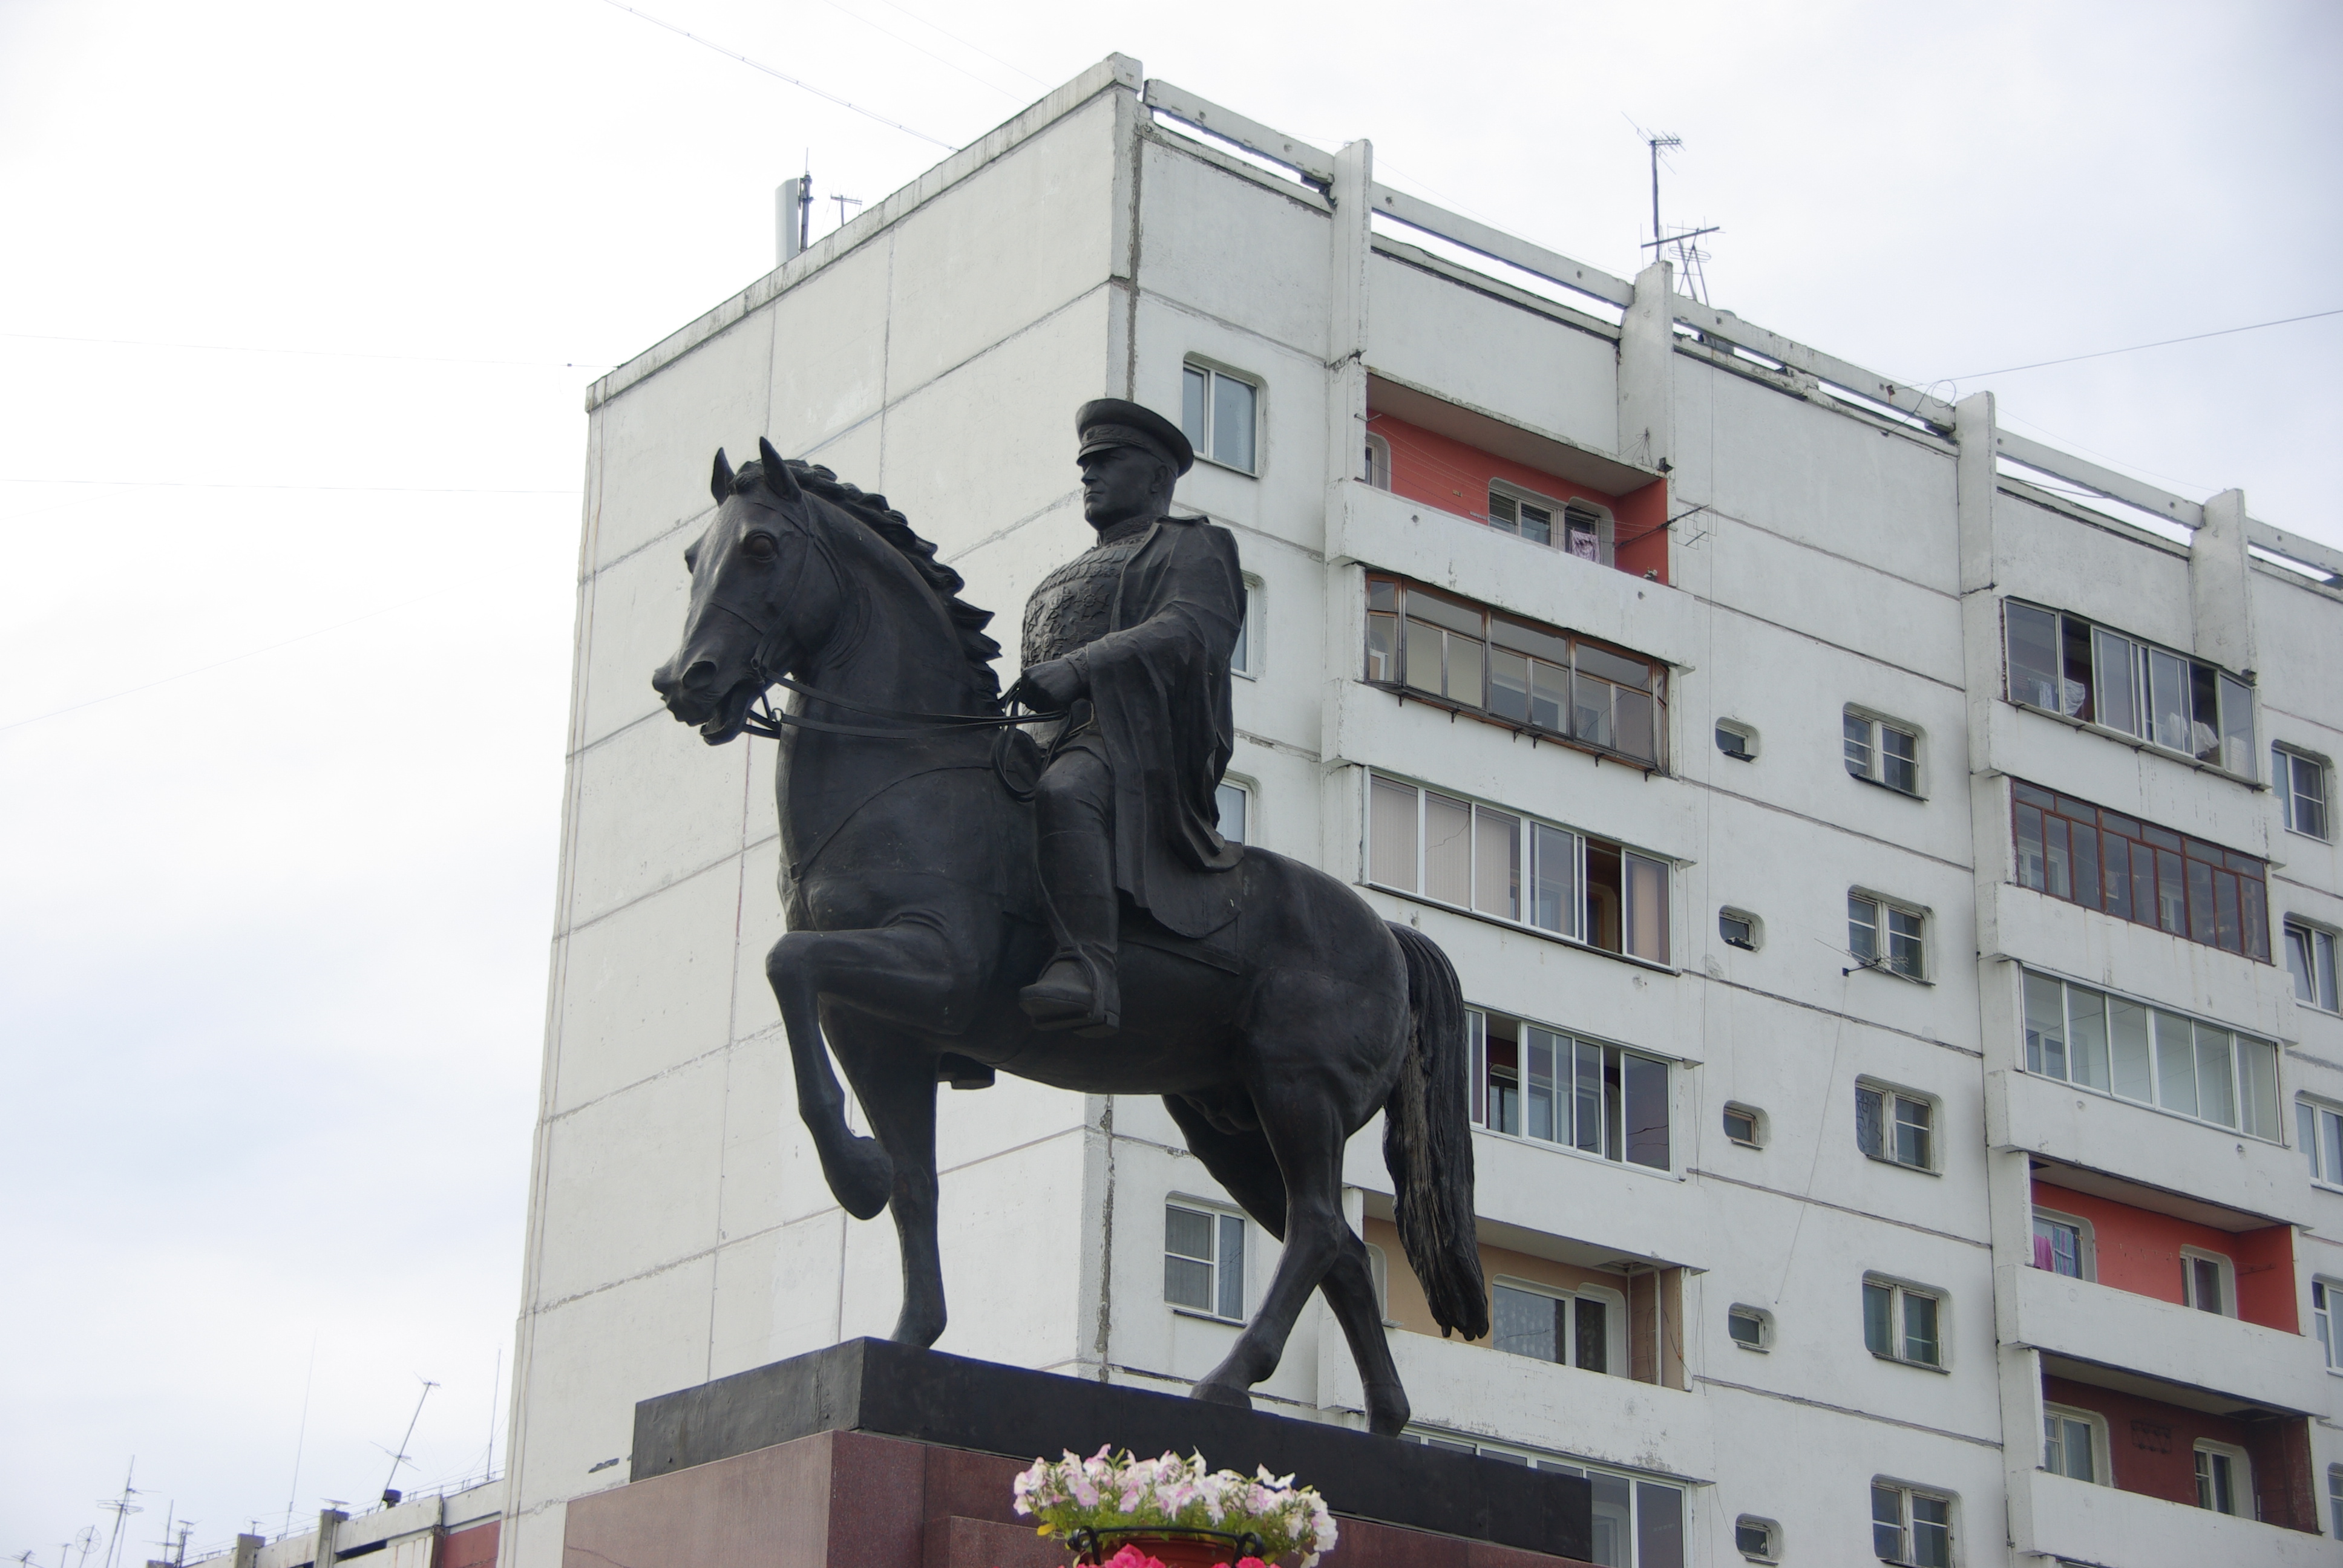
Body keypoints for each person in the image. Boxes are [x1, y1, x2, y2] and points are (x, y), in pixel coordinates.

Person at [1006, 399, 1246, 1034]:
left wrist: (1081, 668)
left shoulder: (1194, 546)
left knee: (1065, 792)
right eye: (1085, 464)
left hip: (1131, 745)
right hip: (1042, 741)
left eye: (1107, 462)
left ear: (1156, 479)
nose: (1089, 475)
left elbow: (1189, 628)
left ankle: (1088, 969)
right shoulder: (1061, 576)